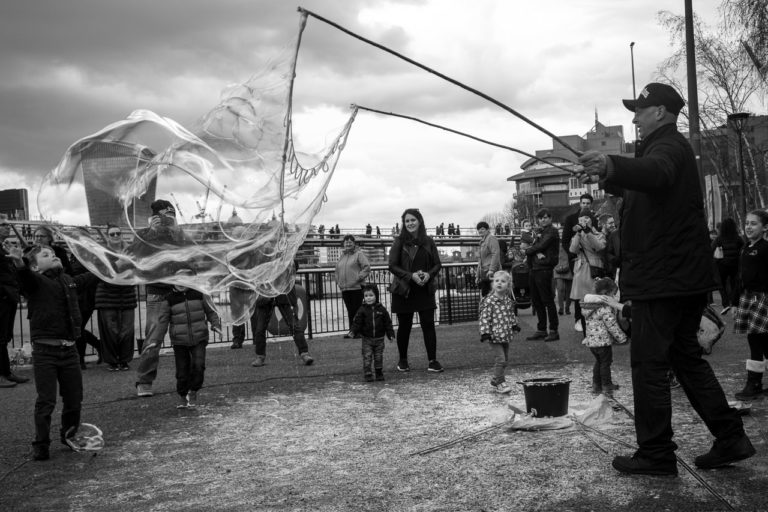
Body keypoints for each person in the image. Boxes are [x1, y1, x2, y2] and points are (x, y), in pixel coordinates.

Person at [578, 82, 754, 475]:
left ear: (660, 112)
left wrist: (610, 164)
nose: (635, 117)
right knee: (686, 361)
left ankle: (656, 452)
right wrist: (607, 174)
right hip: (677, 278)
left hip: (664, 280)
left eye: (640, 111)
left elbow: (655, 175)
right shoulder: (664, 150)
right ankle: (730, 436)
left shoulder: (668, 149)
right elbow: (649, 183)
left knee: (649, 365)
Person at [7, 244, 96, 461]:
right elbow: (25, 277)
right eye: (46, 255)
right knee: (46, 400)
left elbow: (90, 278)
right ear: (36, 267)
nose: (54, 256)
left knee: (74, 398)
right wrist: (20, 263)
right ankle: (41, 443)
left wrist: (112, 267)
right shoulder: (36, 282)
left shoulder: (69, 281)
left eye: (54, 254)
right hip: (45, 352)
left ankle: (69, 435)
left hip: (69, 350)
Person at [127, 199, 191, 398]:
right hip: (157, 293)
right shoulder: (144, 235)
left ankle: (187, 381)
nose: (167, 220)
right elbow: (134, 256)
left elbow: (192, 256)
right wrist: (152, 233)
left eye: (170, 216)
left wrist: (177, 231)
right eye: (163, 216)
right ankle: (144, 381)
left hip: (180, 292)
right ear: (154, 217)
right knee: (153, 340)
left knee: (185, 339)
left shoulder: (179, 235)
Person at [389, 208, 443, 373]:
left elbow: (437, 264)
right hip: (404, 290)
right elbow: (392, 266)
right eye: (407, 221)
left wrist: (429, 274)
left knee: (428, 325)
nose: (410, 223)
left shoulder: (428, 241)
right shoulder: (399, 241)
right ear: (404, 224)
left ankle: (432, 361)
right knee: (405, 326)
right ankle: (403, 360)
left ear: (419, 221)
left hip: (424, 288)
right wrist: (410, 276)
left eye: (413, 220)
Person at [166, 275, 221, 408]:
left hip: (199, 337)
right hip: (179, 340)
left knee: (199, 365)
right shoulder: (169, 299)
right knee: (182, 370)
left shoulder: (200, 293)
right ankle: (182, 395)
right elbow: (161, 322)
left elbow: (211, 311)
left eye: (183, 278)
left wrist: (215, 325)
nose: (180, 282)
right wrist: (154, 341)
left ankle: (194, 390)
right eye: (176, 279)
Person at [250, 260, 314, 368]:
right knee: (260, 328)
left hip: (283, 294)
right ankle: (260, 356)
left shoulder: (284, 252)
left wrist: (288, 258)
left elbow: (294, 267)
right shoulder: (262, 255)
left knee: (294, 326)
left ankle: (304, 354)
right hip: (265, 294)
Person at [733, 209, 768, 400]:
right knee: (763, 341)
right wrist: (735, 302)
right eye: (747, 223)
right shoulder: (745, 247)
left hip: (762, 298)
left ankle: (753, 383)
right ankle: (754, 382)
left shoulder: (765, 249)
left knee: (756, 340)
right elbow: (739, 277)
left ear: (765, 228)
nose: (748, 226)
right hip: (747, 298)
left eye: (754, 223)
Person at [95, 225, 137, 371]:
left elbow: (136, 270)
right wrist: (118, 264)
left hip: (127, 294)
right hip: (107, 296)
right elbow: (100, 271)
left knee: (127, 330)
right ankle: (112, 361)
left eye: (118, 233)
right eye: (112, 234)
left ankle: (125, 360)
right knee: (110, 330)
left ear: (122, 234)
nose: (115, 236)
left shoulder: (130, 251)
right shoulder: (101, 252)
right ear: (107, 236)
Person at [581, 278, 627, 397]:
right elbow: (611, 324)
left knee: (599, 362)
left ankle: (596, 384)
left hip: (592, 341)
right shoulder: (604, 307)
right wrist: (621, 338)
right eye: (613, 293)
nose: (614, 296)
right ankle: (607, 385)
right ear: (606, 294)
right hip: (603, 342)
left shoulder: (589, 306)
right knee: (606, 363)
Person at [478, 271, 521, 394]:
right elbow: (484, 317)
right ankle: (500, 383)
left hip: (505, 335)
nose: (499, 283)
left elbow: (510, 314)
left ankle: (495, 378)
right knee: (501, 359)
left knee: (505, 360)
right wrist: (485, 333)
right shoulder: (489, 301)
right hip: (494, 336)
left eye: (503, 281)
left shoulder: (507, 301)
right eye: (497, 281)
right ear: (493, 284)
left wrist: (514, 325)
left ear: (508, 285)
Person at [522, 209, 560, 342]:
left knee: (547, 300)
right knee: (537, 301)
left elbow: (541, 245)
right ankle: (541, 329)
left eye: (546, 217)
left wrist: (529, 251)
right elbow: (536, 245)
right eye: (541, 218)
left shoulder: (551, 231)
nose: (543, 219)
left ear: (550, 218)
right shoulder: (540, 232)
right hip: (535, 267)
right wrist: (535, 250)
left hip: (544, 267)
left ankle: (554, 330)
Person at [0, 216, 28, 387]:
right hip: (2, 297)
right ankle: (2, 374)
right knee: (0, 336)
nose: (7, 227)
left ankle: (6, 372)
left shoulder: (4, 247)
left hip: (9, 297)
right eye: (3, 225)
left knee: (4, 336)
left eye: (8, 224)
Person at [569, 209, 606, 334]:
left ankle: (597, 333)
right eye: (581, 218)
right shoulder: (578, 235)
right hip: (580, 271)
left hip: (594, 271)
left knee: (596, 304)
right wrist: (579, 234)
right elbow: (573, 250)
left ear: (591, 220)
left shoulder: (598, 234)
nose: (583, 220)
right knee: (583, 306)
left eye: (586, 218)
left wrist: (588, 232)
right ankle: (586, 334)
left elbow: (599, 247)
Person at [347, 283, 394, 382]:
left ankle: (378, 372)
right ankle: (368, 373)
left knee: (378, 357)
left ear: (376, 296)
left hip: (379, 339)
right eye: (366, 296)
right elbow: (357, 322)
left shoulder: (382, 309)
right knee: (367, 356)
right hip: (367, 339)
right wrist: (353, 331)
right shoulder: (362, 310)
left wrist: (390, 334)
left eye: (371, 295)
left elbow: (388, 323)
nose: (368, 298)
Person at [334, 235, 371, 336]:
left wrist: (359, 277)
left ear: (354, 243)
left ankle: (358, 331)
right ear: (343, 244)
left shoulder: (359, 254)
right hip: (345, 288)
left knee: (357, 310)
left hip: (357, 287)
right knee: (351, 311)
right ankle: (352, 331)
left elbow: (367, 267)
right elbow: (337, 270)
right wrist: (338, 281)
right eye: (346, 242)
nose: (348, 243)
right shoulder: (342, 256)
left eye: (350, 242)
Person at [711, 218, 744, 315]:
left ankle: (725, 304)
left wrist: (716, 260)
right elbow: (744, 248)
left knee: (721, 284)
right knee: (735, 284)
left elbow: (711, 249)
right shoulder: (738, 238)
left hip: (722, 265)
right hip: (735, 265)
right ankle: (734, 303)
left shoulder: (719, 238)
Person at [475, 221, 501, 297]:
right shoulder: (482, 242)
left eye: (482, 229)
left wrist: (492, 270)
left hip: (491, 273)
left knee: (492, 297)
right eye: (479, 229)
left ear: (487, 229)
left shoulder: (491, 238)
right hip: (485, 274)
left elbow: (495, 254)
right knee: (486, 296)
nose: (480, 231)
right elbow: (480, 261)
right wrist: (477, 275)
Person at [554, 232, 573, 316]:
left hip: (568, 267)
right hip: (557, 268)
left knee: (569, 290)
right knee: (560, 289)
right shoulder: (554, 244)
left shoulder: (571, 243)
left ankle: (567, 307)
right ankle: (561, 308)